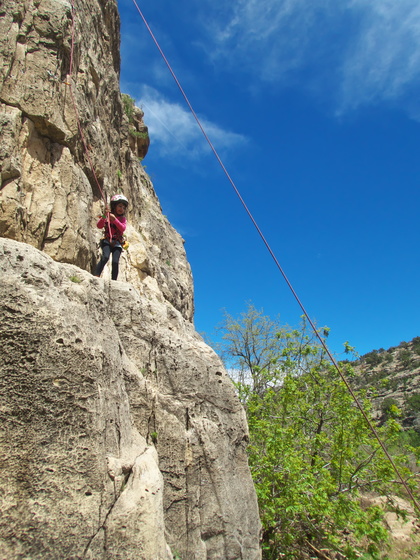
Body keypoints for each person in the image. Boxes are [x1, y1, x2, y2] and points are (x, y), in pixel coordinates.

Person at [94, 194, 128, 281]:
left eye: (123, 208)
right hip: (107, 240)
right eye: (120, 206)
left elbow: (122, 228)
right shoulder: (107, 216)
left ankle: (114, 281)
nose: (122, 209)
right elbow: (99, 225)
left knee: (115, 262)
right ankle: (96, 275)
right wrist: (105, 215)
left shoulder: (122, 219)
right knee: (105, 257)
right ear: (114, 206)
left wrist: (115, 220)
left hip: (117, 243)